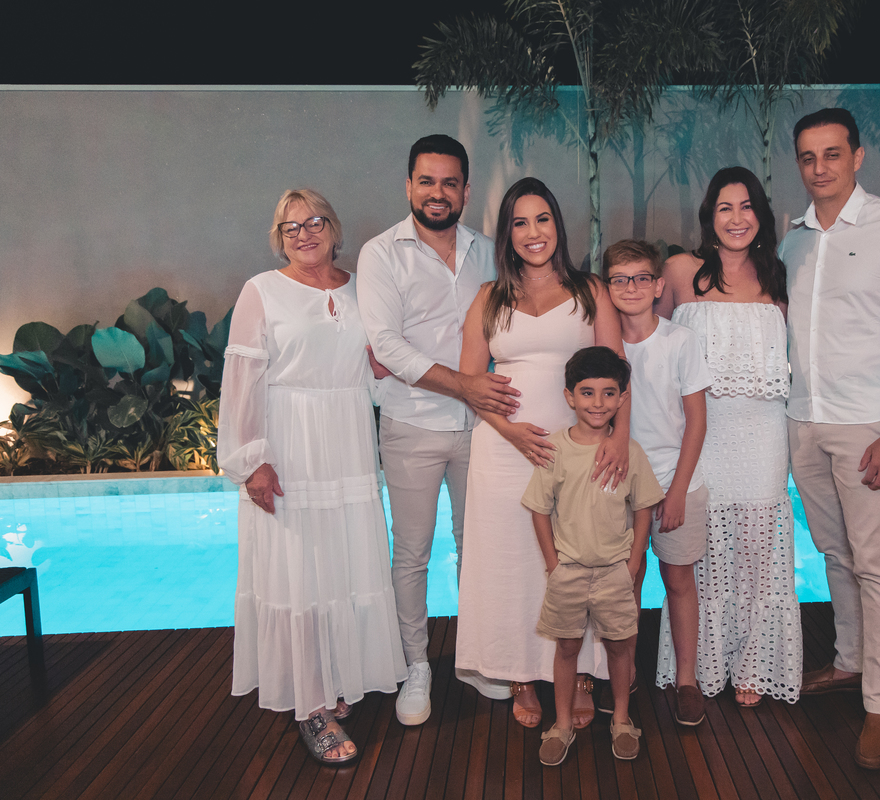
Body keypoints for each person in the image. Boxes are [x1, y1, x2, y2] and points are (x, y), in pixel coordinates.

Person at [217, 188, 407, 766]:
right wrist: (251, 460)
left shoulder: (360, 288)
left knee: (343, 565)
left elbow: (374, 372)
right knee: (298, 571)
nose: (304, 234)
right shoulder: (261, 290)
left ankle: (335, 675)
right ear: (280, 237)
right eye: (290, 226)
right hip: (290, 441)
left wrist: (381, 372)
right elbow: (242, 380)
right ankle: (311, 705)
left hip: (347, 439)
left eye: (314, 221)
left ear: (334, 228)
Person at [780, 107, 880, 769]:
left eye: (832, 154)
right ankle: (849, 663)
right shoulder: (791, 242)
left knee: (878, 564)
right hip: (802, 422)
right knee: (835, 553)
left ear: (857, 156)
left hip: (866, 428)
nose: (820, 168)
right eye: (808, 157)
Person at [357, 134, 521, 726]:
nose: (437, 192)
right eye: (426, 181)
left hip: (482, 429)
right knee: (413, 554)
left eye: (450, 182)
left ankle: (478, 659)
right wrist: (465, 385)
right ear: (409, 186)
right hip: (412, 424)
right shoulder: (381, 254)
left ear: (466, 190)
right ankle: (416, 666)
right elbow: (386, 344)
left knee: (480, 547)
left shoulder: (488, 253)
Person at [455, 177, 628, 730]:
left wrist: (618, 439)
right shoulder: (488, 298)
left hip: (580, 452)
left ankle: (581, 674)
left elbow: (619, 372)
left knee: (579, 561)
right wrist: (510, 432)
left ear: (558, 224)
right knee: (511, 562)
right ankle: (520, 674)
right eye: (520, 222)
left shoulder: (590, 291)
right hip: (504, 452)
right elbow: (470, 382)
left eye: (543, 218)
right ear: (507, 233)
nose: (534, 232)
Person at [657, 167, 803, 707]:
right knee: (703, 552)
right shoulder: (681, 271)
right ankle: (702, 664)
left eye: (746, 207)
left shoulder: (779, 278)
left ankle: (753, 663)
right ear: (709, 216)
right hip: (699, 436)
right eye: (725, 207)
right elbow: (649, 342)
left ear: (760, 215)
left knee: (758, 551)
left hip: (763, 435)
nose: (736, 218)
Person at [523, 346, 663, 765]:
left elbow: (644, 507)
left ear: (622, 397)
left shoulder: (629, 452)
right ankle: (562, 723)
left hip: (615, 572)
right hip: (568, 571)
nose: (598, 403)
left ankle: (621, 718)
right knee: (566, 647)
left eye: (608, 393)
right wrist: (553, 564)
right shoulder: (554, 449)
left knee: (621, 648)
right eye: (587, 392)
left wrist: (634, 562)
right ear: (570, 396)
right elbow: (539, 509)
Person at [603, 239, 712, 726]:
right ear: (607, 287)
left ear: (658, 286)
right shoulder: (603, 346)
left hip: (675, 481)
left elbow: (697, 422)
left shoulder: (680, 341)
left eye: (641, 278)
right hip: (619, 487)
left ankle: (687, 681)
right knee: (626, 581)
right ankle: (623, 674)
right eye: (619, 279)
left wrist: (678, 492)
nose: (631, 287)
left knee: (679, 580)